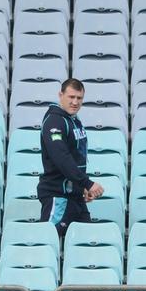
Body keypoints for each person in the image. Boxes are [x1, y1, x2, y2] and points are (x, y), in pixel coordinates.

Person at [37, 78, 104, 236]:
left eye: (79, 98)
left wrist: (81, 187)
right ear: (61, 95)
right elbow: (62, 158)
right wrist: (87, 182)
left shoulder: (73, 120)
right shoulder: (54, 122)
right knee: (48, 242)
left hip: (75, 197)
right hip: (58, 196)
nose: (75, 102)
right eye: (71, 97)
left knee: (87, 243)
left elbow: (77, 158)